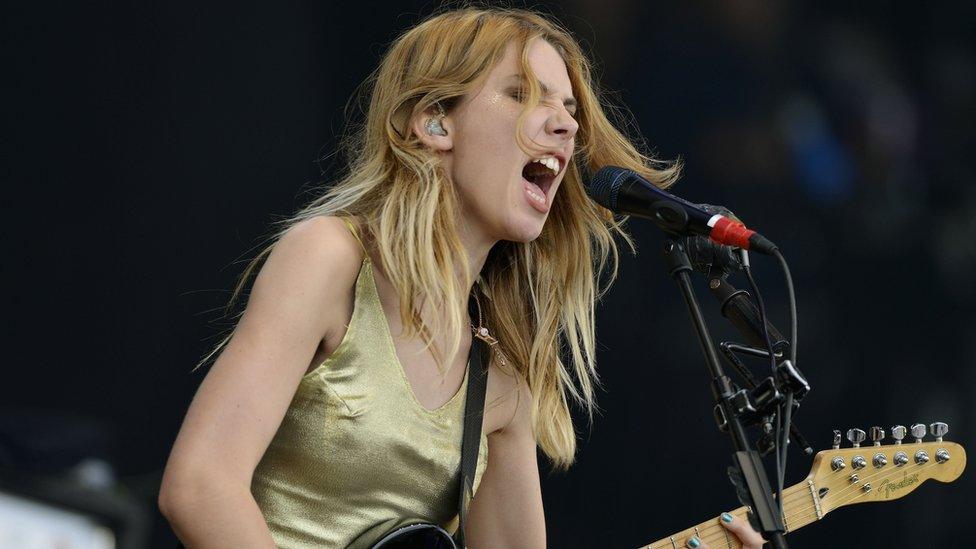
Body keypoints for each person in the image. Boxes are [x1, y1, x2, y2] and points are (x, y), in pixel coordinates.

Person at [158, 6, 765, 549]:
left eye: (570, 109)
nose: (565, 125)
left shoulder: (503, 363)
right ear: (435, 124)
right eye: (524, 95)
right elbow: (200, 485)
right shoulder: (331, 259)